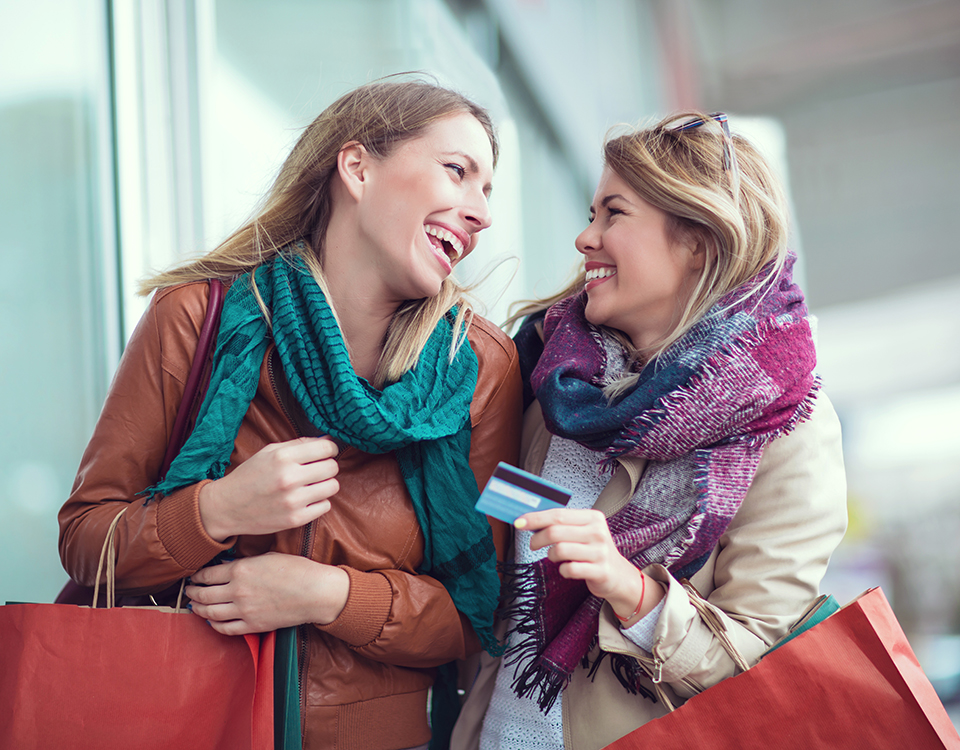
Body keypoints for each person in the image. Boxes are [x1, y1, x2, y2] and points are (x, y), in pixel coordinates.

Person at [58, 78, 522, 750]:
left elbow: (482, 612)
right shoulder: (195, 317)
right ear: (357, 167)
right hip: (185, 724)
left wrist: (327, 595)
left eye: (487, 192)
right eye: (458, 172)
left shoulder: (480, 366)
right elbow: (84, 539)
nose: (479, 212)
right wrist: (215, 511)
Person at [451, 112, 847, 749]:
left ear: (697, 240)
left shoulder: (787, 427)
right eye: (591, 212)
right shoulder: (553, 376)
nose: (585, 238)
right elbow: (497, 526)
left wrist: (631, 590)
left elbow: (763, 665)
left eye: (614, 213)